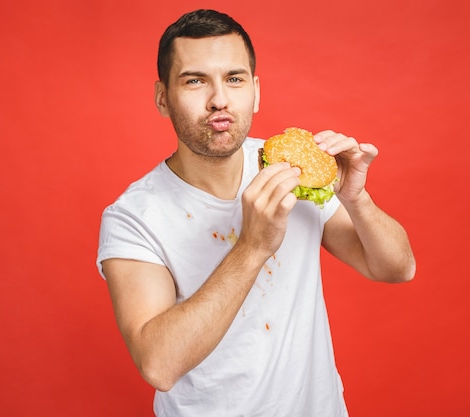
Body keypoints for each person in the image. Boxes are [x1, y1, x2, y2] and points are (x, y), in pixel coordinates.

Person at [96, 9, 415, 417]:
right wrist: (253, 246)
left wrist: (357, 198)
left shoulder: (287, 170)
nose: (219, 100)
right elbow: (158, 365)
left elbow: (396, 268)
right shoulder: (133, 217)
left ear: (256, 91)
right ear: (163, 98)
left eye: (234, 78)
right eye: (195, 81)